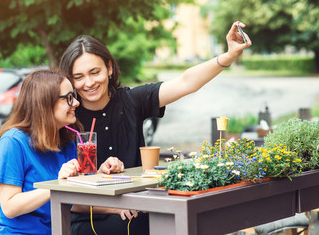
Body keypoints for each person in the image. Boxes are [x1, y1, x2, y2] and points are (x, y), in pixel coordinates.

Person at [59, 21, 252, 169]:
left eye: (95, 72)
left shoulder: (132, 100)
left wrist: (228, 56)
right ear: (71, 79)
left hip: (138, 206)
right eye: (79, 77)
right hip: (90, 212)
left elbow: (186, 82)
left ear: (109, 68)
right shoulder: (67, 118)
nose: (89, 83)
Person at [0, 70, 131, 234]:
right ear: (45, 103)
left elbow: (72, 201)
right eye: (69, 98)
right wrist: (57, 186)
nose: (76, 103)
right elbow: (10, 206)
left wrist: (104, 183)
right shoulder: (13, 143)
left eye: (74, 96)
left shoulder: (65, 143)